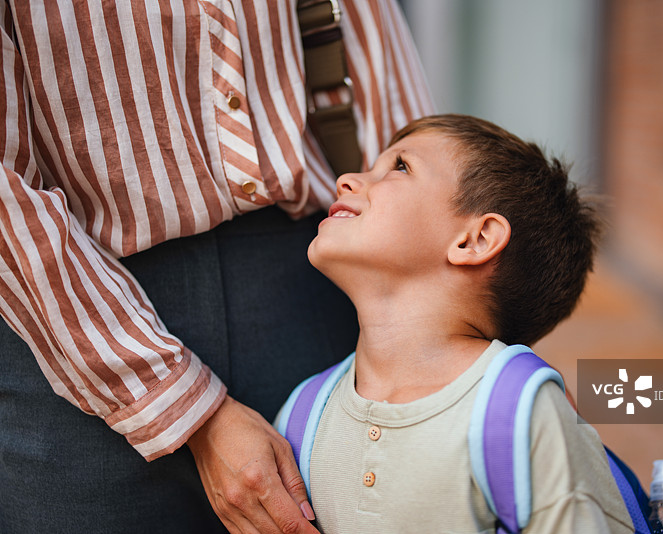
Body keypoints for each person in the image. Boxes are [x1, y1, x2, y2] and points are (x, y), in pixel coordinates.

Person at [0, 1, 433, 533]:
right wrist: (191, 413)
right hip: (72, 326)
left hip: (317, 288)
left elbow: (383, 84)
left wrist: (441, 323)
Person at [275, 114, 635, 533]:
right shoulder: (303, 416)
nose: (345, 180)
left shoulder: (522, 414)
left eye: (400, 166)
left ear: (474, 240)